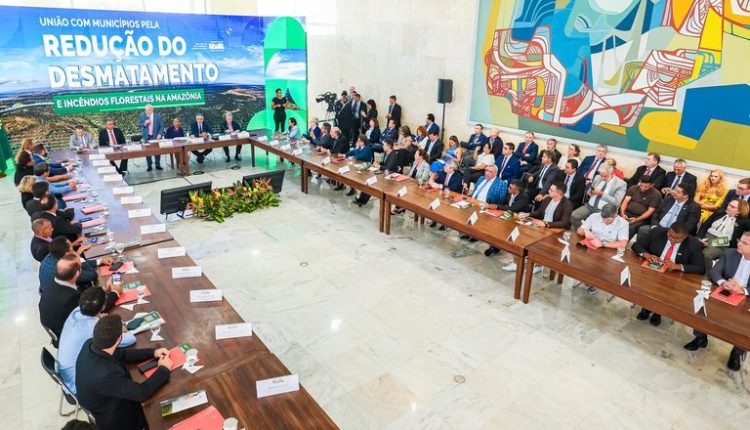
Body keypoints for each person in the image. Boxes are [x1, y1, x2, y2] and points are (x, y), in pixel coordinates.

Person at [76, 314, 171, 430]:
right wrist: (163, 369)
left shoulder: (90, 344)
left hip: (100, 400)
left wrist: (153, 353)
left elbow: (122, 354)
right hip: (115, 418)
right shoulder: (107, 375)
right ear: (119, 339)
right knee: (154, 411)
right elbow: (142, 393)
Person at [683, 231, 750, 370]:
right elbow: (714, 271)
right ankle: (700, 337)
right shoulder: (731, 253)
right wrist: (723, 283)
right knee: (703, 303)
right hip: (725, 289)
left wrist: (742, 290)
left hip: (747, 297)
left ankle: (737, 352)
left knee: (744, 325)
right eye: (739, 240)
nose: (738, 244)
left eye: (744, 243)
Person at [57, 287, 137, 394]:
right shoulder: (93, 328)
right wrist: (122, 328)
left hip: (66, 374)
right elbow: (130, 339)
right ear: (103, 306)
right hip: (78, 384)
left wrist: (100, 320)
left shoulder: (76, 311)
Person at [632, 222, 705, 326]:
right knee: (648, 284)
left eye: (677, 238)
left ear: (685, 237)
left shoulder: (694, 244)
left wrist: (678, 266)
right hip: (653, 270)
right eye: (670, 235)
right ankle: (646, 309)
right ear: (668, 231)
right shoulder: (657, 232)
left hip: (674, 275)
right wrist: (647, 255)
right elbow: (636, 245)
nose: (672, 239)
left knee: (665, 290)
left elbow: (701, 268)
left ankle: (658, 313)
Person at [38, 254, 119, 342]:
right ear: (77, 273)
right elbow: (94, 310)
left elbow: (85, 297)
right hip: (71, 337)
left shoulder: (53, 283)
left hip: (60, 327)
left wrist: (103, 289)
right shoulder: (70, 297)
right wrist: (115, 292)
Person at [502, 182, 572, 271]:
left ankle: (538, 265)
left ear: (558, 193)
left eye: (551, 190)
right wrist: (528, 214)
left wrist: (547, 224)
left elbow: (564, 223)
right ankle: (517, 262)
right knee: (519, 234)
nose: (548, 191)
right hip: (540, 226)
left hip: (553, 230)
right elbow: (539, 212)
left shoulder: (567, 204)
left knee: (534, 241)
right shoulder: (547, 199)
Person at [39, 236, 109, 292]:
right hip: (66, 299)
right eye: (72, 248)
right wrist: (79, 258)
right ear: (67, 253)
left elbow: (77, 263)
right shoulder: (65, 268)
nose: (73, 250)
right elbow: (92, 275)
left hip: (49, 292)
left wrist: (100, 261)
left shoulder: (50, 256)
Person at [698, 199, 750, 270]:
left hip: (722, 244)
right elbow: (704, 226)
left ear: (739, 211)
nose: (728, 207)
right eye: (729, 205)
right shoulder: (719, 213)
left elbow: (733, 241)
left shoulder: (743, 222)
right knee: (692, 247)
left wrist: (711, 242)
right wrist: (699, 238)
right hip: (705, 238)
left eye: (732, 207)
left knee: (705, 254)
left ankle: (710, 272)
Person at [459, 165, 508, 241]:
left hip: (487, 207)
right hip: (474, 203)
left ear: (495, 173)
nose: (487, 173)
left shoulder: (501, 184)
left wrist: (491, 207)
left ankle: (476, 235)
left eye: (490, 171)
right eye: (486, 171)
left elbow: (502, 201)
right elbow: (475, 190)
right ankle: (468, 232)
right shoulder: (481, 178)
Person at [485, 180, 531, 257]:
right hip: (507, 215)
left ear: (517, 190)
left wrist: (497, 207)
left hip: (518, 219)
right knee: (495, 226)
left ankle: (500, 247)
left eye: (510, 188)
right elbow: (501, 202)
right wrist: (494, 207)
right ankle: (495, 246)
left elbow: (514, 209)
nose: (508, 189)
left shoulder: (524, 197)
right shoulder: (508, 192)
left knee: (505, 230)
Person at [354, 139, 400, 206]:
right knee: (369, 180)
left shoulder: (393, 155)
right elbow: (384, 163)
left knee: (372, 183)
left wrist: (378, 166)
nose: (382, 147)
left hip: (389, 177)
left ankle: (362, 201)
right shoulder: (386, 153)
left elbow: (388, 167)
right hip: (383, 173)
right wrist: (378, 163)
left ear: (388, 146)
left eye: (384, 145)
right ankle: (361, 200)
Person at [138, 104, 164, 171]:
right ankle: (149, 166)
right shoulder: (142, 116)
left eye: (149, 110)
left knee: (157, 151)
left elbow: (161, 126)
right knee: (147, 152)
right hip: (146, 137)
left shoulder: (158, 116)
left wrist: (159, 134)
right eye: (146, 110)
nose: (147, 111)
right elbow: (139, 124)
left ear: (152, 110)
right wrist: (144, 123)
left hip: (155, 136)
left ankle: (157, 165)